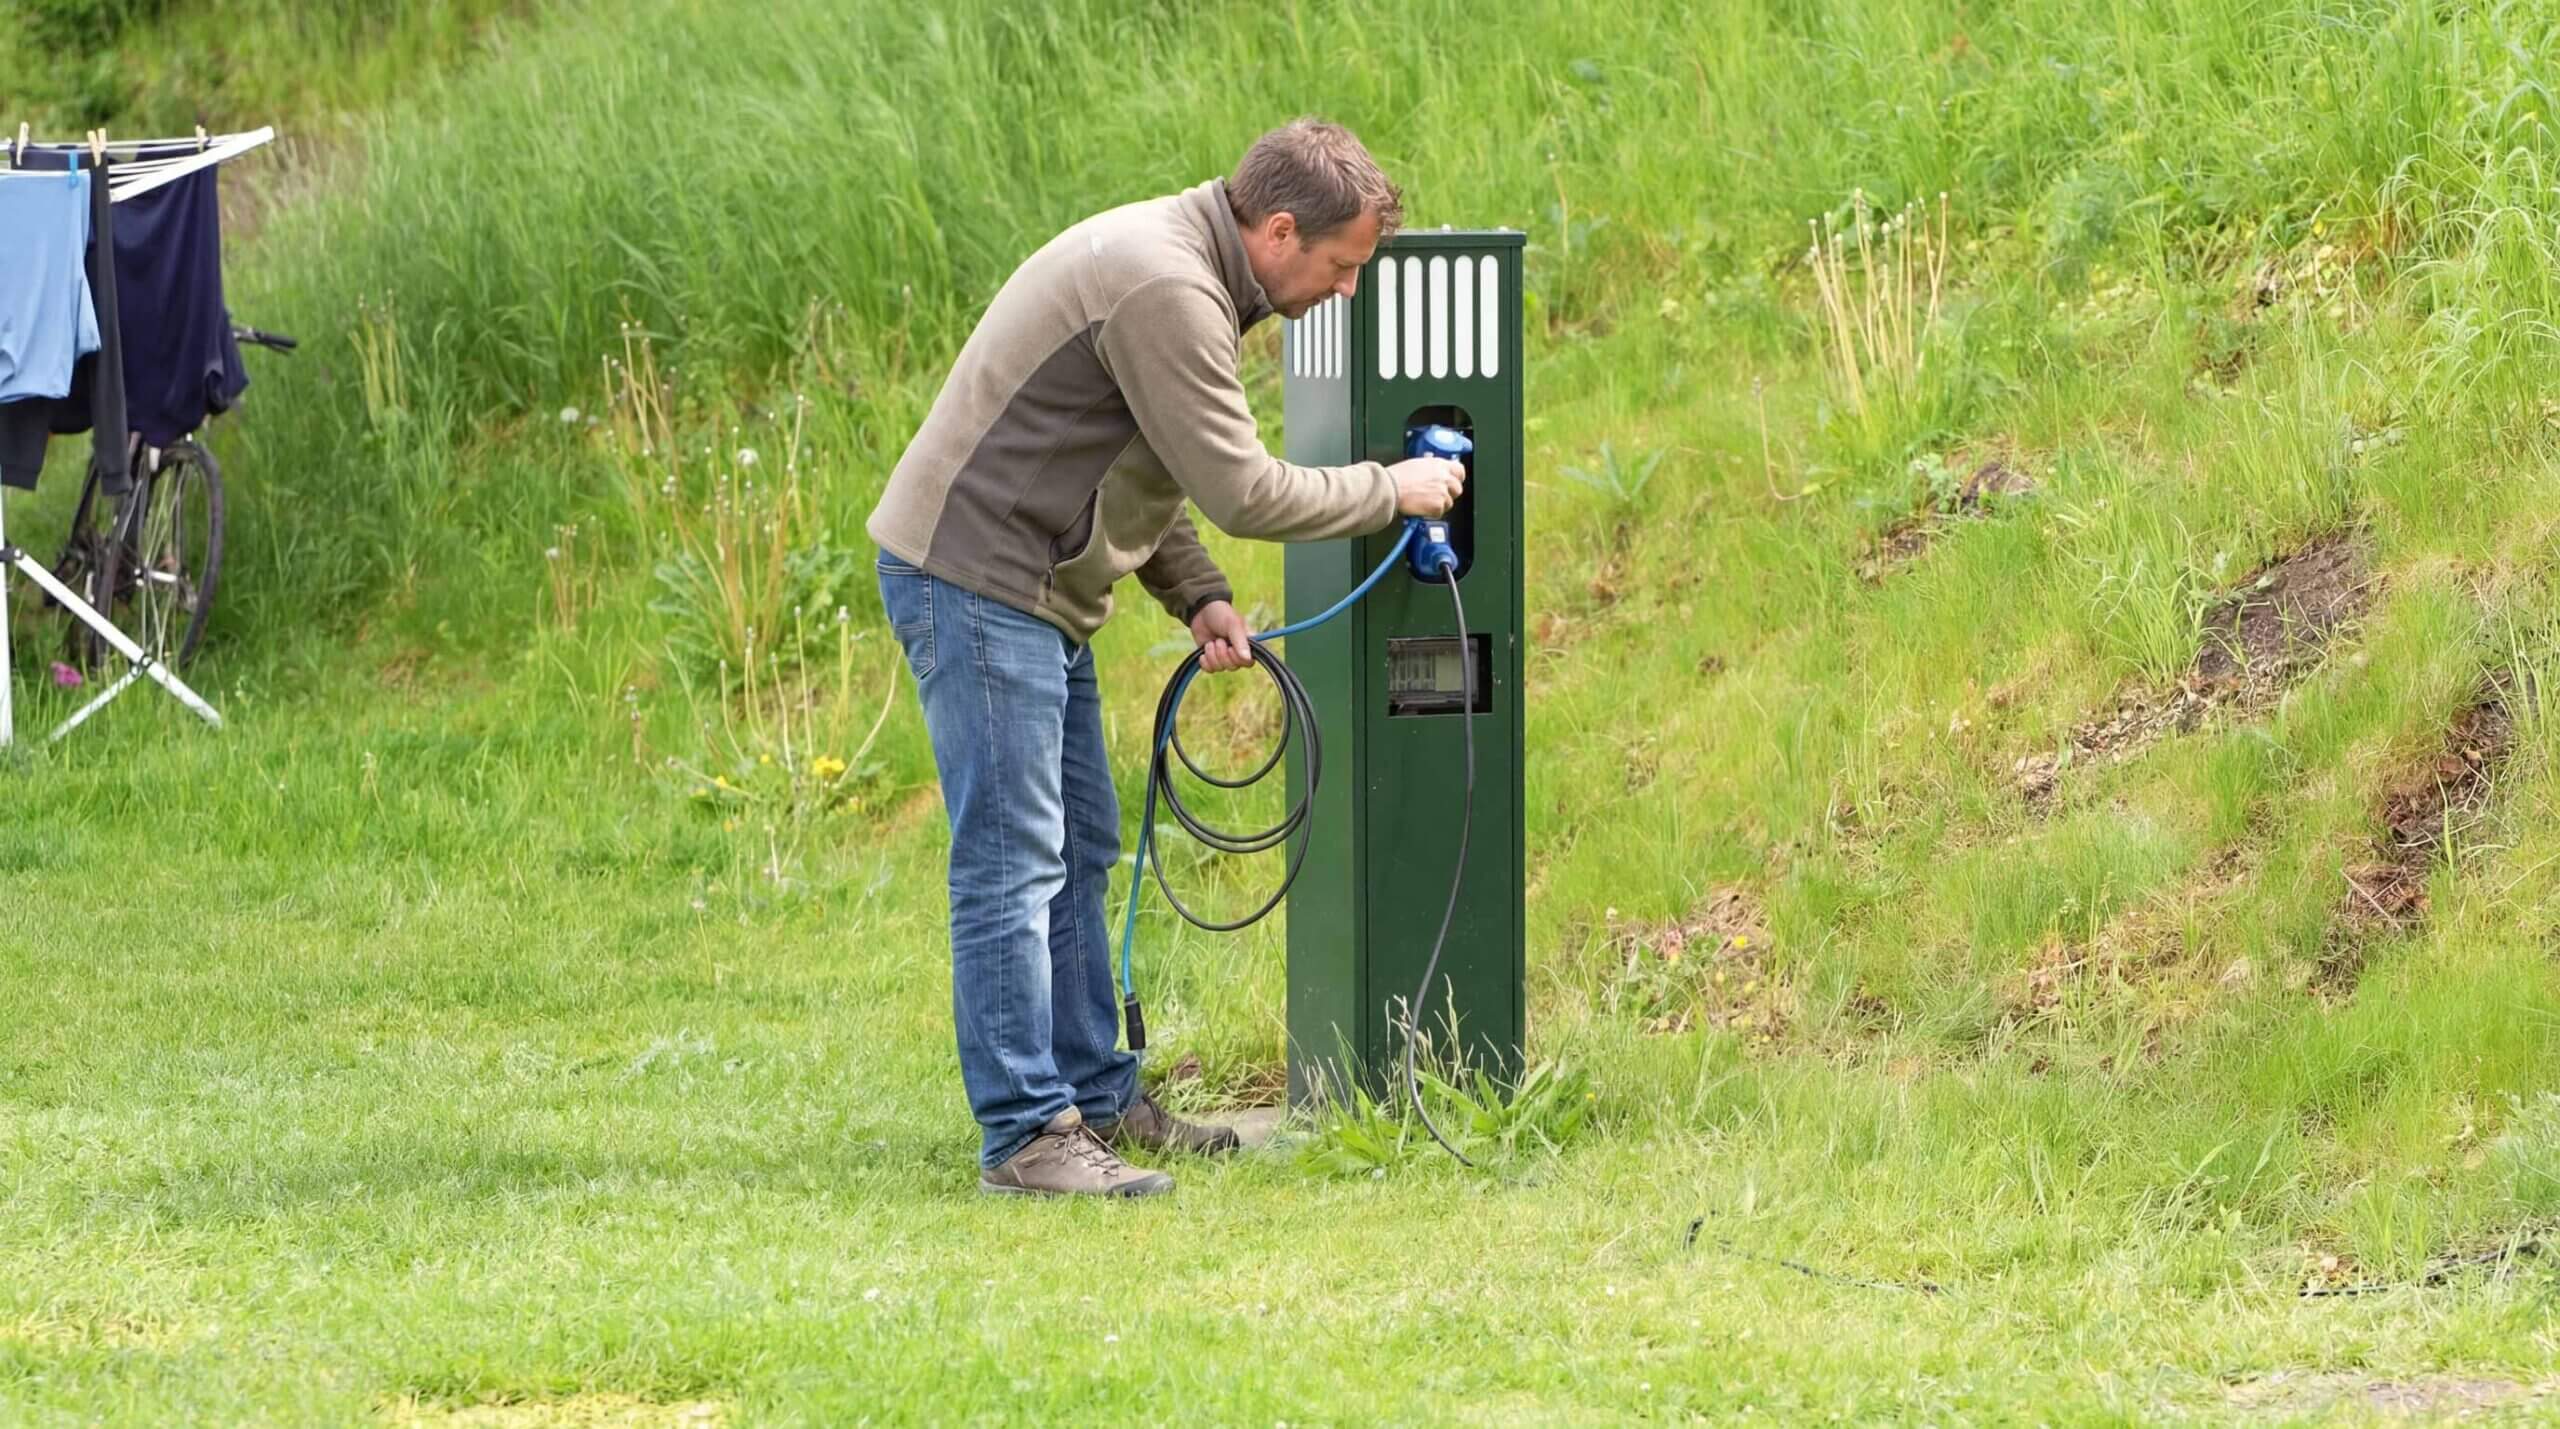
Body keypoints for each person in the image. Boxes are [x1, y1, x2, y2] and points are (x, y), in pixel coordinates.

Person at [867, 119, 1467, 1198]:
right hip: (978, 576)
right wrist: (1394, 488)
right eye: (1338, 268)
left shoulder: (1183, 266)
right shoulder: (1169, 290)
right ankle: (1026, 1134)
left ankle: (1096, 1098)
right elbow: (1243, 489)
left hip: (1033, 582)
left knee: (1083, 844)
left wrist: (1197, 595)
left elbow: (1135, 450)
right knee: (1013, 862)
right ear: (1279, 230)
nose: (1342, 293)